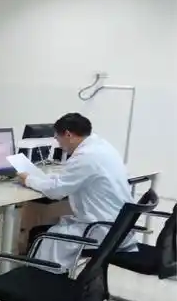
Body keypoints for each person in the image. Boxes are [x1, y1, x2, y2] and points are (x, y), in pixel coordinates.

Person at [18, 113, 134, 269]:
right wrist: (48, 179)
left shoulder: (85, 156)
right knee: (53, 227)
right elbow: (70, 180)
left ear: (68, 135)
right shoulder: (101, 146)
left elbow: (56, 192)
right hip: (117, 225)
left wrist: (28, 180)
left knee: (48, 238)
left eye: (57, 138)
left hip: (102, 229)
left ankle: (41, 280)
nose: (58, 144)